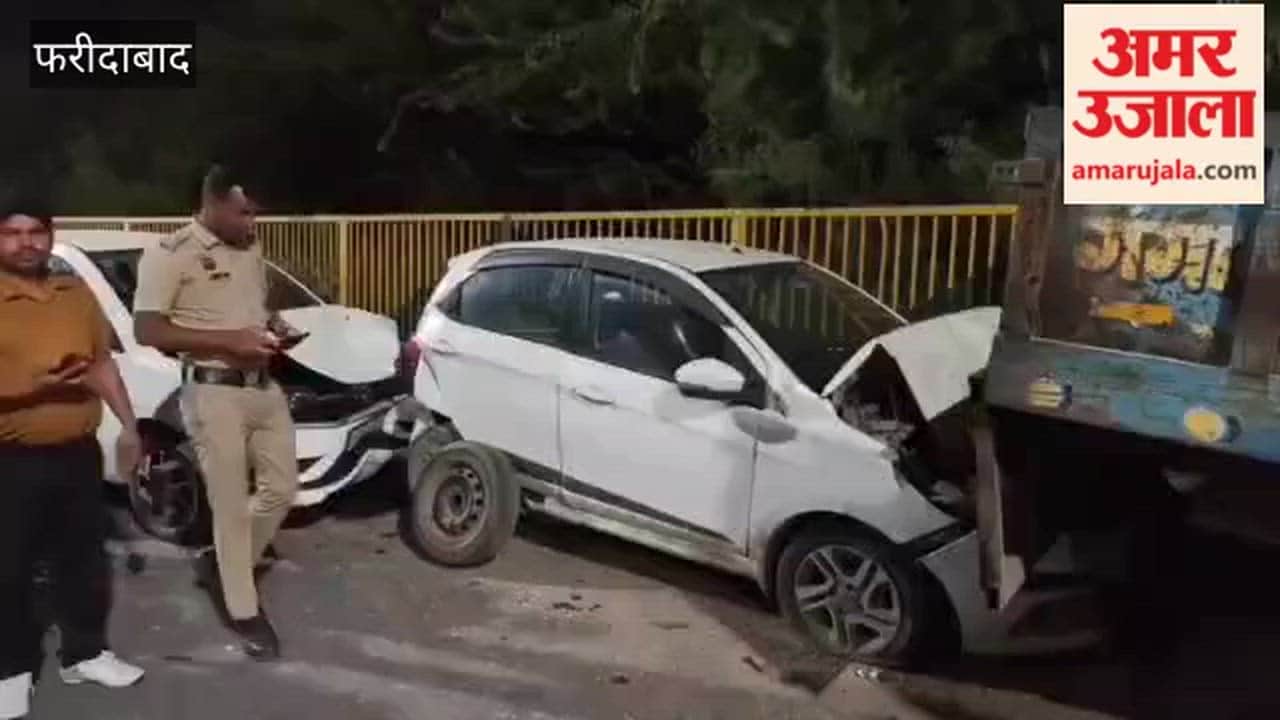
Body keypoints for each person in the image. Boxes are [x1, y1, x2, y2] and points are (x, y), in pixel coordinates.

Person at [133, 165, 300, 660]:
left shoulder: (249, 248)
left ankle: (226, 566)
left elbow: (250, 307)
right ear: (213, 202)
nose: (252, 223)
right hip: (213, 393)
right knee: (228, 506)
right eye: (244, 212)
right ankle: (243, 609)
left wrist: (272, 325)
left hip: (263, 386)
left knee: (282, 489)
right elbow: (149, 330)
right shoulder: (170, 255)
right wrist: (229, 341)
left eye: (256, 214)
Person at [0, 199, 145, 720]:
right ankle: (11, 671)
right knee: (9, 568)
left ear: (49, 234)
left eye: (35, 232)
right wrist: (30, 388)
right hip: (11, 458)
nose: (25, 243)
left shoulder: (74, 293)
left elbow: (101, 363)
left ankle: (84, 654)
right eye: (12, 233)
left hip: (77, 454)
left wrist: (130, 427)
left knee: (83, 561)